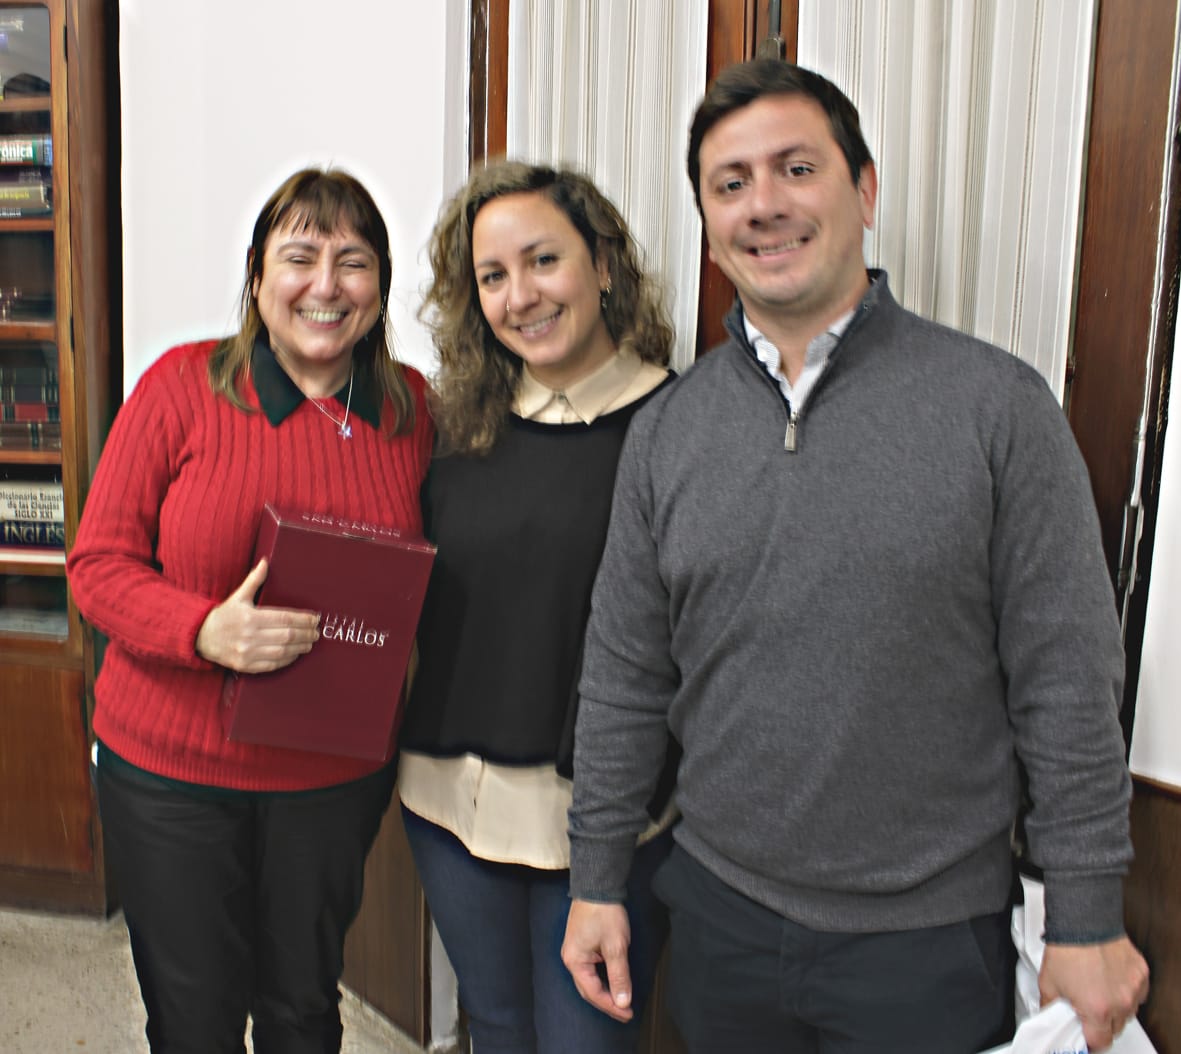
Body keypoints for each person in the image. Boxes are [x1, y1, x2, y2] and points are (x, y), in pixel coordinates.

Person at [561, 59, 1150, 1054]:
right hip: (718, 923)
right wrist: (595, 878)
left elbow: (1066, 682)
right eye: (730, 183)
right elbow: (624, 675)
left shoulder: (996, 409)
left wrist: (1085, 913)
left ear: (863, 191)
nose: (763, 204)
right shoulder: (668, 430)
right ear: (707, 223)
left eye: (796, 168)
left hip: (926, 944)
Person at [66, 167, 433, 1054]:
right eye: (300, 257)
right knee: (193, 1023)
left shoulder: (411, 411)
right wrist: (201, 629)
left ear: (380, 286)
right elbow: (97, 567)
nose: (325, 285)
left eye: (353, 262)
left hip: (330, 784)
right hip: (171, 777)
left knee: (303, 1012)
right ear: (258, 277)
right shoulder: (180, 387)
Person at [397, 160, 678, 1053]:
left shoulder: (676, 425)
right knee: (495, 1029)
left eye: (543, 260)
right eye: (492, 276)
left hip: (599, 824)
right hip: (445, 801)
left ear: (604, 265)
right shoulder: (454, 426)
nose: (520, 296)